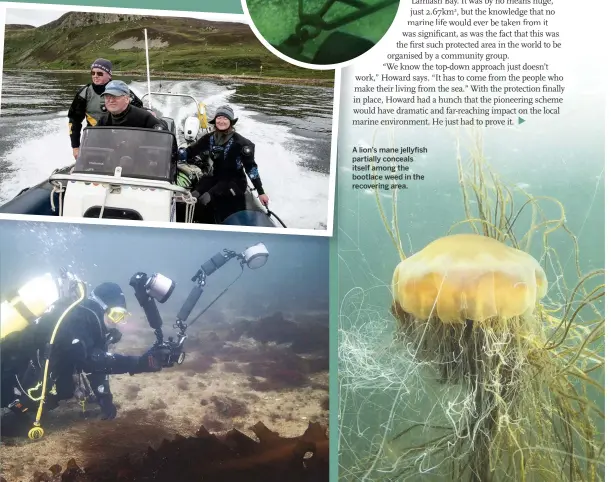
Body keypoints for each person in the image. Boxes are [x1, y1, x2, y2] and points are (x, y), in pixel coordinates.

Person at [1, 280, 170, 422]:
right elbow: (92, 360)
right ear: (101, 307)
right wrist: (139, 363)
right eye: (115, 314)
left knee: (64, 389)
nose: (116, 322)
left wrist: (105, 399)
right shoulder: (79, 319)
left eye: (122, 317)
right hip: (8, 368)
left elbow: (98, 366)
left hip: (20, 369)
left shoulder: (94, 326)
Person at [178, 105, 269, 224]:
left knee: (205, 200)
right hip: (215, 177)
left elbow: (251, 169)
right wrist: (176, 154)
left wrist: (261, 192)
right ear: (215, 120)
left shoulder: (241, 143)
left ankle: (207, 228)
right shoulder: (210, 138)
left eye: (225, 118)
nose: (221, 121)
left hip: (234, 182)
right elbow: (191, 151)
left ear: (231, 122)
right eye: (219, 117)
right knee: (192, 196)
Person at [68, 58, 143, 160]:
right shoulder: (84, 93)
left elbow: (139, 109)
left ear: (109, 75)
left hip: (121, 139)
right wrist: (75, 147)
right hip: (94, 139)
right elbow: (74, 121)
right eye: (93, 73)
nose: (95, 76)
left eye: (99, 73)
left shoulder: (122, 90)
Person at [96, 80, 167, 130]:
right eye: (107, 97)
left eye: (115, 96)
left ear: (127, 99)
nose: (111, 100)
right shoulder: (103, 120)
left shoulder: (144, 117)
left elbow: (163, 138)